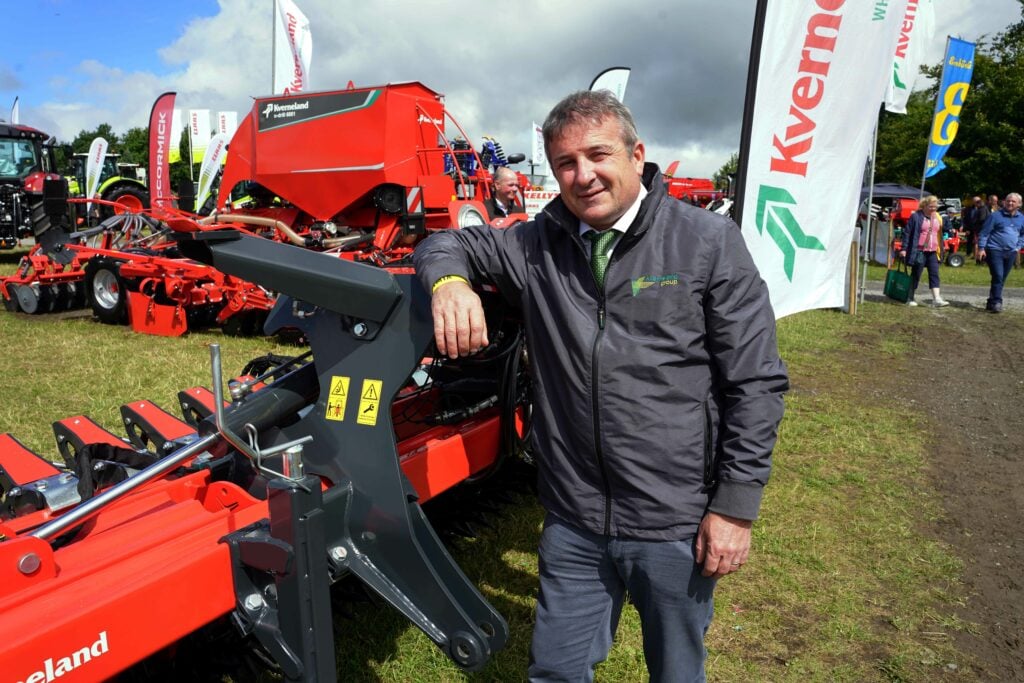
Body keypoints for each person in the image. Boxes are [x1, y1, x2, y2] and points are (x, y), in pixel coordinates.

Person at [414, 90, 789, 682]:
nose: (583, 175)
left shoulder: (707, 242)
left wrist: (735, 510)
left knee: (676, 670)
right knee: (556, 671)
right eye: (566, 162)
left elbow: (756, 383)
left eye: (598, 155)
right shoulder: (536, 245)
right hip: (574, 517)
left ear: (637, 155)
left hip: (675, 518)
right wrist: (448, 284)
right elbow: (444, 241)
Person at [977, 192, 1024, 313]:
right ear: (1004, 202)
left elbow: (1023, 235)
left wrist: (1018, 246)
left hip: (1011, 252)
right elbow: (984, 232)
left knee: (1001, 278)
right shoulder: (996, 216)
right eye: (1008, 200)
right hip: (994, 250)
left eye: (1013, 201)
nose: (1010, 203)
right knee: (998, 275)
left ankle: (991, 301)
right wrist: (981, 248)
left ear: (1019, 204)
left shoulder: (1021, 218)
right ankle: (997, 301)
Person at [899, 195, 949, 307]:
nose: (933, 209)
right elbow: (907, 233)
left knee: (934, 274)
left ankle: (936, 298)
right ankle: (910, 297)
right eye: (931, 206)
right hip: (919, 251)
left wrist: (942, 247)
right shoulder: (916, 216)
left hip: (933, 251)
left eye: (935, 207)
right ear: (924, 205)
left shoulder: (937, 217)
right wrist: (903, 249)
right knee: (916, 274)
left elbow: (939, 233)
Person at [965, 195, 989, 261]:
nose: (975, 204)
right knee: (975, 242)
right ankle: (976, 256)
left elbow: (982, 219)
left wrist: (975, 223)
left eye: (977, 202)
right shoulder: (970, 209)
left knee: (977, 243)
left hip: (980, 229)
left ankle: (978, 257)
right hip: (976, 228)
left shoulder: (982, 209)